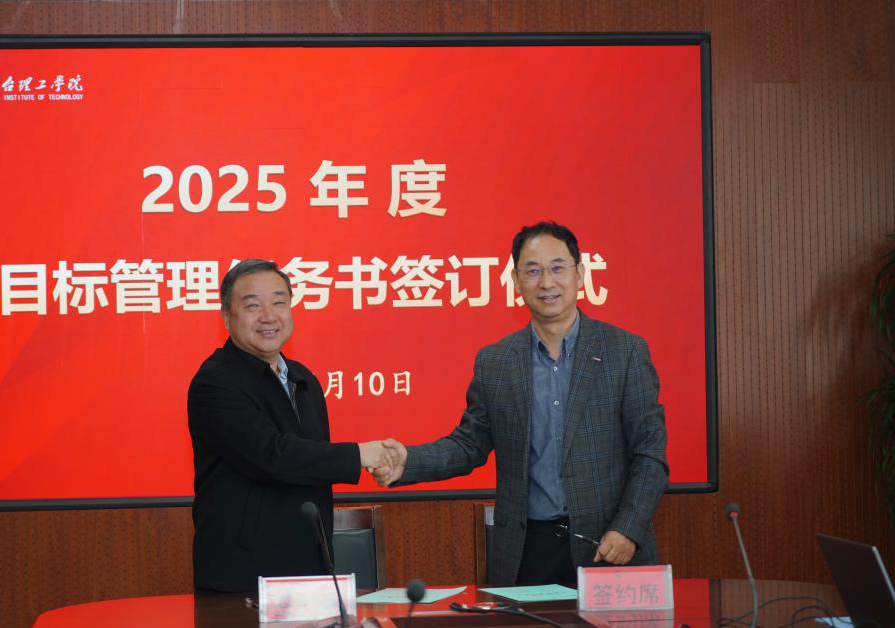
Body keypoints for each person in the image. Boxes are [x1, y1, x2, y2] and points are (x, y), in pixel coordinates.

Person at [374, 222, 668, 587]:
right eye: (532, 271)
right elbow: (469, 445)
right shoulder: (496, 362)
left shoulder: (624, 352)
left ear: (580, 274)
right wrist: (409, 461)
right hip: (528, 552)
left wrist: (627, 528)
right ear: (515, 281)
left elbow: (650, 454)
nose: (546, 282)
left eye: (558, 268)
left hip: (608, 546)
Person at [188, 258, 388, 592]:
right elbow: (273, 456)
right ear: (226, 317)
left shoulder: (302, 378)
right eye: (252, 305)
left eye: (279, 302)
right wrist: (360, 455)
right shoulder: (215, 382)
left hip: (311, 569)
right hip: (243, 578)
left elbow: (313, 468)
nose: (269, 316)